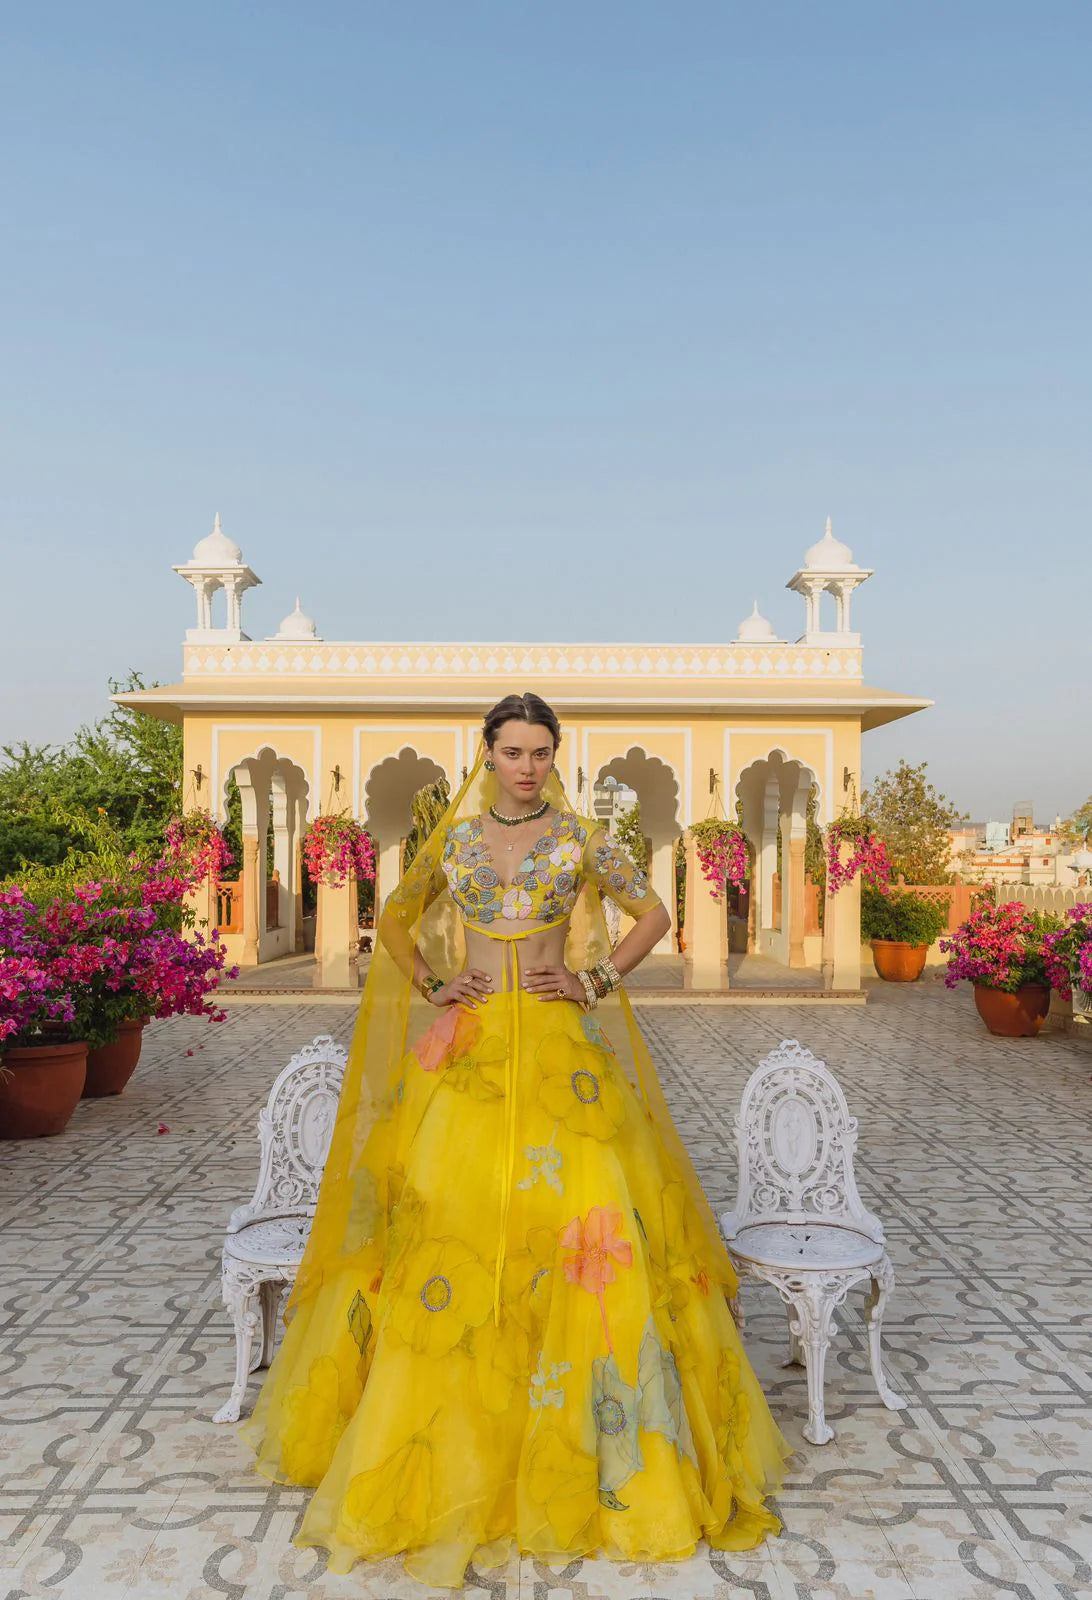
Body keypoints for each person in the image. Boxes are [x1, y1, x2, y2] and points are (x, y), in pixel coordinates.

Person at [243, 692, 788, 1588]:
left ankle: (591, 1448)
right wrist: (433, 985)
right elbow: (397, 917)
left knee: (586, 1234)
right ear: (486, 752)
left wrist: (594, 978)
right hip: (470, 1055)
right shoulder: (454, 841)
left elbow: (655, 911)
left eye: (540, 752)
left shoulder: (578, 840)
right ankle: (458, 1444)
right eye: (512, 751)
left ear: (555, 756)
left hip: (562, 1062)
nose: (527, 765)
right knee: (450, 1232)